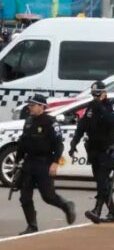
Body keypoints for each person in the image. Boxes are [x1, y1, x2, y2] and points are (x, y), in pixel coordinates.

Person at [15, 94, 76, 235]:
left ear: (42, 106)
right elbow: (23, 142)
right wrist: (18, 160)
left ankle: (66, 206)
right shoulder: (29, 121)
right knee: (24, 197)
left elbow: (58, 145)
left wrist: (55, 163)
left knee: (48, 196)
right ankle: (32, 226)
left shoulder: (50, 122)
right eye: (29, 105)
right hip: (29, 163)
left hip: (44, 163)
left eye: (33, 105)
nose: (30, 107)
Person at [69, 81, 114, 224]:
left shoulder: (113, 105)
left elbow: (113, 121)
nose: (95, 98)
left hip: (108, 151)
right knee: (102, 183)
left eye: (98, 95)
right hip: (94, 151)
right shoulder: (91, 107)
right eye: (93, 95)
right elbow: (82, 126)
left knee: (102, 182)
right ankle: (113, 213)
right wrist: (74, 143)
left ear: (105, 93)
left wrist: (100, 108)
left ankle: (97, 211)